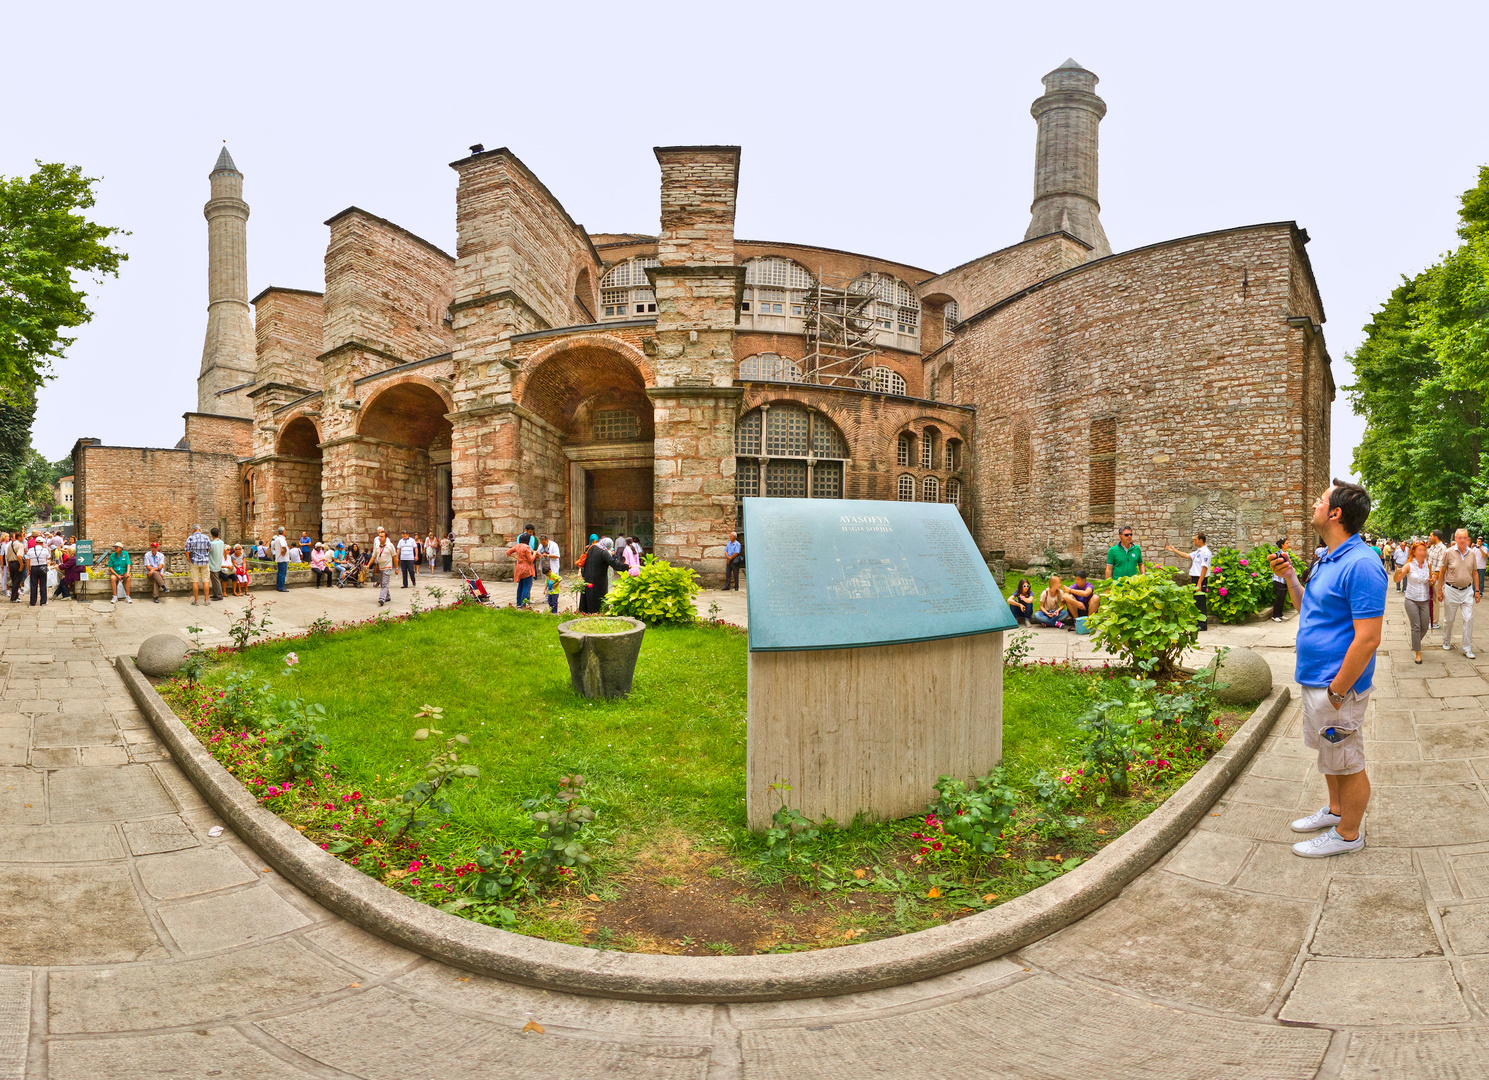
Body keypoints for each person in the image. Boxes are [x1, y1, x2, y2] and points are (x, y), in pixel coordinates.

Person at [1270, 479, 1385, 858]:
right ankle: (1336, 812)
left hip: (1338, 687)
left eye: (1320, 501)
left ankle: (1349, 835)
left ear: (1335, 513)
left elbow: (1368, 638)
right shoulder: (1328, 557)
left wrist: (1337, 690)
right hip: (1317, 680)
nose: (1314, 506)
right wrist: (1289, 577)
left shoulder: (1363, 564)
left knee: (1348, 759)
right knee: (1330, 754)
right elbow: (1309, 609)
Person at [1438, 528, 1480, 658]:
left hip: (1467, 590)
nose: (1462, 540)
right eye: (1460, 538)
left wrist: (1477, 591)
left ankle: (1467, 648)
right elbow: (1442, 572)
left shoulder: (1472, 553)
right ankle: (1446, 640)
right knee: (1449, 619)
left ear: (1467, 539)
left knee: (1468, 619)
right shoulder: (1449, 552)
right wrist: (1440, 590)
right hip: (1451, 590)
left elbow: (1475, 572)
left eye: (1465, 538)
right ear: (1455, 539)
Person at [1395, 540, 1432, 664]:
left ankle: (1415, 642)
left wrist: (1432, 581)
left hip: (1425, 599)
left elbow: (1430, 579)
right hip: (1411, 599)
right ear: (1414, 552)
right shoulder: (1409, 565)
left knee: (1425, 626)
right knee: (1416, 626)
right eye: (1419, 550)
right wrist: (1397, 573)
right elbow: (1397, 579)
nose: (1422, 552)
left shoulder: (1428, 564)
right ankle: (1418, 653)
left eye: (1424, 550)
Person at [1166, 532, 1211, 630]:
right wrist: (1174, 550)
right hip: (1195, 578)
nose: (1193, 541)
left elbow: (1204, 568)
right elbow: (1187, 555)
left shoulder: (1205, 552)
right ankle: (1198, 622)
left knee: (1201, 601)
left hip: (1200, 579)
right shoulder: (1198, 551)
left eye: (1195, 540)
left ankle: (1203, 624)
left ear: (1200, 540)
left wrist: (1199, 583)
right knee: (1196, 601)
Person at [578, 533, 626, 613]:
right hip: (599, 579)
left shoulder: (592, 548)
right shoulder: (604, 552)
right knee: (599, 596)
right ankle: (598, 612)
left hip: (589, 576)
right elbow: (613, 563)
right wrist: (626, 567)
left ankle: (587, 611)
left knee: (589, 594)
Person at [185, 524, 212, 605]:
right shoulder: (206, 537)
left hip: (194, 561)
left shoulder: (190, 538)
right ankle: (206, 600)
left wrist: (189, 559)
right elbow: (210, 548)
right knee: (206, 581)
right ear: (200, 529)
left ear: (193, 530)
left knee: (195, 581)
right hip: (205, 561)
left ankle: (196, 600)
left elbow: (186, 550)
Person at [506, 535, 536, 607]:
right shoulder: (526, 547)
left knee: (521, 585)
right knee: (527, 585)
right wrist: (534, 554)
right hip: (526, 568)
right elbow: (531, 559)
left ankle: (519, 602)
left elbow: (508, 552)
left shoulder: (517, 546)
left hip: (519, 567)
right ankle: (524, 603)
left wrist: (516, 557)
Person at [1427, 530, 1448, 629]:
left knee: (1434, 599)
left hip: (1436, 578)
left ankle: (1434, 621)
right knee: (1429, 598)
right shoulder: (1432, 547)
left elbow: (1440, 565)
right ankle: (1430, 619)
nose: (1430, 538)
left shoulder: (1442, 548)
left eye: (1431, 536)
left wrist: (1435, 576)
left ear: (1436, 537)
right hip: (1429, 576)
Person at [370, 527, 395, 605]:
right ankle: (387, 596)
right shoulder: (377, 545)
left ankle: (382, 599)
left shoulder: (390, 545)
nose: (380, 538)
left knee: (384, 583)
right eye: (379, 536)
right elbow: (373, 556)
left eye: (382, 537)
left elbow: (395, 556)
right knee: (382, 582)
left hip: (387, 566)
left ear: (386, 537)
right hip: (380, 566)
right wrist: (368, 565)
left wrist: (397, 568)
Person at [1271, 538, 1293, 622]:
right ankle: (1275, 615)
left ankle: (1280, 614)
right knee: (1279, 597)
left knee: (1283, 597)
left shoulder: (1286, 553)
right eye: (1287, 543)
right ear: (1282, 545)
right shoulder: (1277, 554)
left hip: (1284, 579)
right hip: (1278, 579)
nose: (1288, 544)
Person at [26, 535, 50, 608]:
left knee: (33, 585)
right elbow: (49, 557)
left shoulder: (30, 550)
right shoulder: (45, 550)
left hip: (34, 567)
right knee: (43, 584)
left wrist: (28, 569)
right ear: (42, 543)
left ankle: (33, 601)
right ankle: (43, 601)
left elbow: (27, 560)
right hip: (43, 567)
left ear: (36, 542)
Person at [208, 527, 227, 601]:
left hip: (213, 563)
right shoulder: (221, 542)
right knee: (215, 579)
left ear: (212, 535)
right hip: (218, 562)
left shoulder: (212, 544)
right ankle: (215, 593)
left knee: (215, 580)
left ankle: (219, 595)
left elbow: (208, 550)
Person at [271, 527, 291, 592]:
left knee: (280, 573)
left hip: (279, 558)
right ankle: (281, 587)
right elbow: (283, 546)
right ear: (283, 532)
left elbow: (273, 547)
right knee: (283, 573)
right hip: (283, 558)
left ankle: (279, 586)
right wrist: (284, 551)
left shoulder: (277, 539)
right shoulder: (282, 539)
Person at [6, 533, 24, 603]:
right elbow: (19, 555)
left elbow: (7, 556)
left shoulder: (10, 545)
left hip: (11, 563)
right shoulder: (20, 545)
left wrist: (8, 565)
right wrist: (21, 565)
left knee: (13, 580)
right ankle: (14, 597)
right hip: (17, 563)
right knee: (17, 581)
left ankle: (15, 596)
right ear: (19, 537)